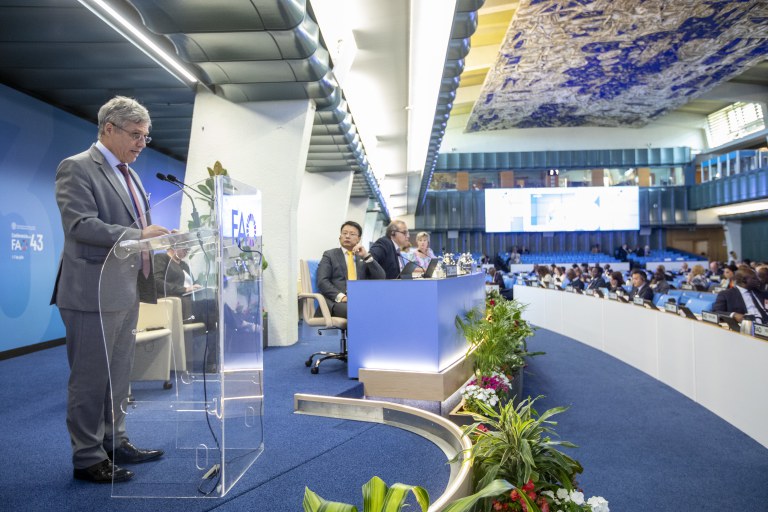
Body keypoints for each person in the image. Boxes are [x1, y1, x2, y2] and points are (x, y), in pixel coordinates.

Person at [50, 96, 168, 484]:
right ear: (108, 129)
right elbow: (80, 225)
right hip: (90, 293)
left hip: (125, 289)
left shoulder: (131, 174)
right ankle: (86, 457)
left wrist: (168, 247)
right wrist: (139, 235)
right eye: (135, 135)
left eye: (145, 137)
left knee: (117, 377)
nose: (140, 143)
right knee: (89, 380)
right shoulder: (77, 167)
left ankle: (114, 441)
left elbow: (141, 236)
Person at [316, 221, 386, 318]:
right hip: (337, 301)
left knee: (382, 308)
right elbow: (322, 281)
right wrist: (342, 297)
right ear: (340, 236)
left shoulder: (362, 257)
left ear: (358, 239)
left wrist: (366, 256)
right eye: (344, 233)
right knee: (357, 311)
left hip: (360, 299)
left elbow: (381, 277)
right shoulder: (330, 255)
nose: (347, 236)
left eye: (352, 234)